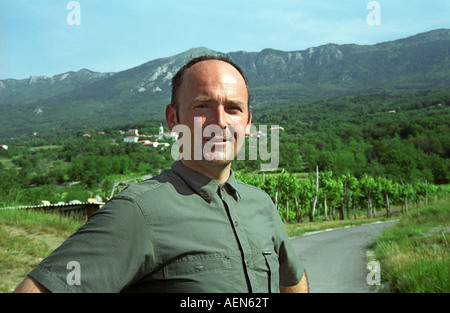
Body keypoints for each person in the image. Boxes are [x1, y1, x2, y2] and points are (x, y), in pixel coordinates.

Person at [14, 55, 308, 293]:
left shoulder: (261, 205)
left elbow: (293, 280)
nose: (219, 121)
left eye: (233, 109)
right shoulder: (137, 212)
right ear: (173, 118)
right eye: (202, 106)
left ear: (247, 123)